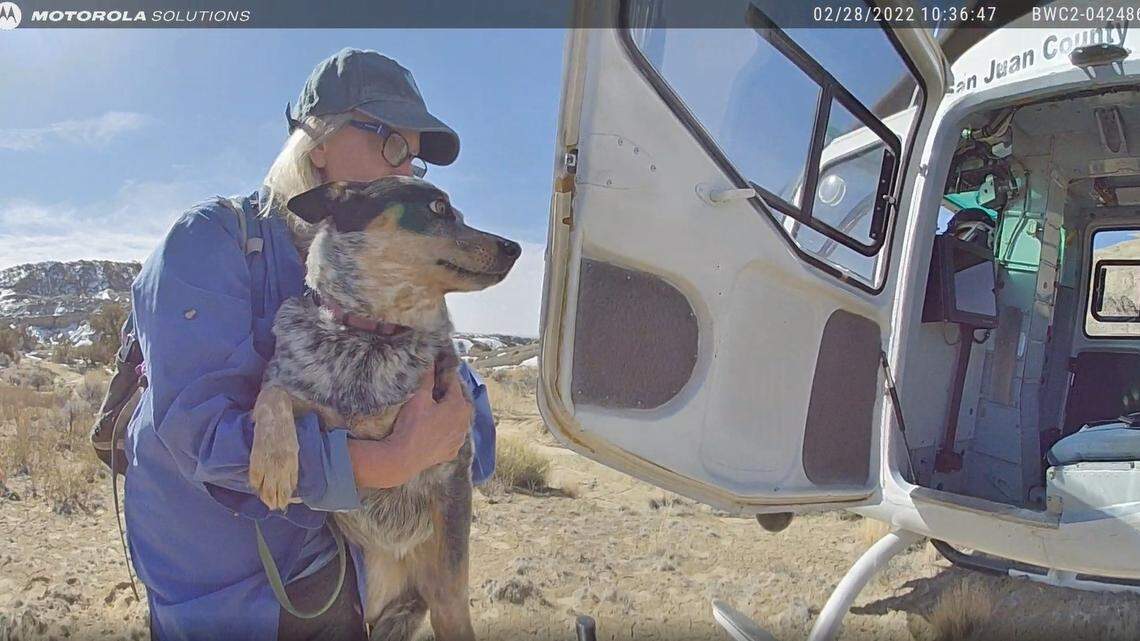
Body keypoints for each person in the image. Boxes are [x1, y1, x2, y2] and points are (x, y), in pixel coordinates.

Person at [123, 48, 496, 641]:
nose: (404, 173)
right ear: (318, 142)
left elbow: (467, 422)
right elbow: (198, 437)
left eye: (416, 163)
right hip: (232, 597)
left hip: (351, 583)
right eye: (391, 144)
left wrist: (447, 430)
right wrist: (390, 459)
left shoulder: (394, 278)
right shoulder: (210, 243)